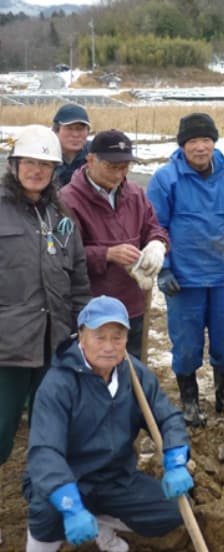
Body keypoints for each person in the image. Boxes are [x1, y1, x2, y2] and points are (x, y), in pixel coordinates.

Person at [24, 296, 192, 552]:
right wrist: (70, 503)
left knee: (174, 508)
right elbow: (45, 452)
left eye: (117, 337)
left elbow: (167, 417)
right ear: (81, 337)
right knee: (48, 512)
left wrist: (176, 458)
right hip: (70, 478)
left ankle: (101, 523)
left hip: (115, 477)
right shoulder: (58, 384)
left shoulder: (133, 374)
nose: (109, 346)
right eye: (99, 336)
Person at [147, 112, 224, 426]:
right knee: (187, 343)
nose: (201, 147)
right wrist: (163, 269)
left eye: (206, 140)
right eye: (193, 141)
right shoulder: (166, 179)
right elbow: (155, 226)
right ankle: (189, 402)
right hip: (184, 279)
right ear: (183, 145)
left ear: (214, 142)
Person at [0, 125, 91, 467]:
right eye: (29, 162)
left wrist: (81, 328)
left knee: (48, 427)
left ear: (55, 171)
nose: (36, 171)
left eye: (45, 165)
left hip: (53, 342)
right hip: (7, 345)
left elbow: (78, 277)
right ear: (14, 164)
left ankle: (41, 498)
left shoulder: (61, 216)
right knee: (2, 426)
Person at [60, 130, 169, 359]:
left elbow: (153, 227)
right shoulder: (68, 200)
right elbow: (64, 254)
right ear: (91, 160)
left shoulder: (135, 193)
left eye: (125, 166)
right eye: (112, 167)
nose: (120, 174)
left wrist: (157, 244)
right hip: (93, 307)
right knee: (97, 371)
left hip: (133, 303)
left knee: (132, 371)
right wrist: (107, 254)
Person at [52, 103, 91, 187]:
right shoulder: (46, 155)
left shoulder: (95, 155)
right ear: (56, 130)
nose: (75, 134)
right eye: (69, 128)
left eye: (80, 129)